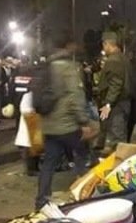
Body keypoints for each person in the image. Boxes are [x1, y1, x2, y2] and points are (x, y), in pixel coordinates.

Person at [35, 34, 94, 209]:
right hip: (68, 125)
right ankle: (85, 195)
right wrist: (84, 121)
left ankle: (41, 201)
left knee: (49, 163)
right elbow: (76, 97)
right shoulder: (69, 67)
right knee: (83, 155)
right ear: (68, 46)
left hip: (49, 125)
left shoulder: (47, 66)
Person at [99, 32, 130, 153]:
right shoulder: (123, 58)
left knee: (117, 140)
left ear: (107, 44)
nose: (103, 48)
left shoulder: (113, 60)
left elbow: (116, 84)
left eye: (104, 45)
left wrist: (108, 104)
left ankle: (120, 161)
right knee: (120, 135)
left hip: (117, 105)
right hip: (123, 103)